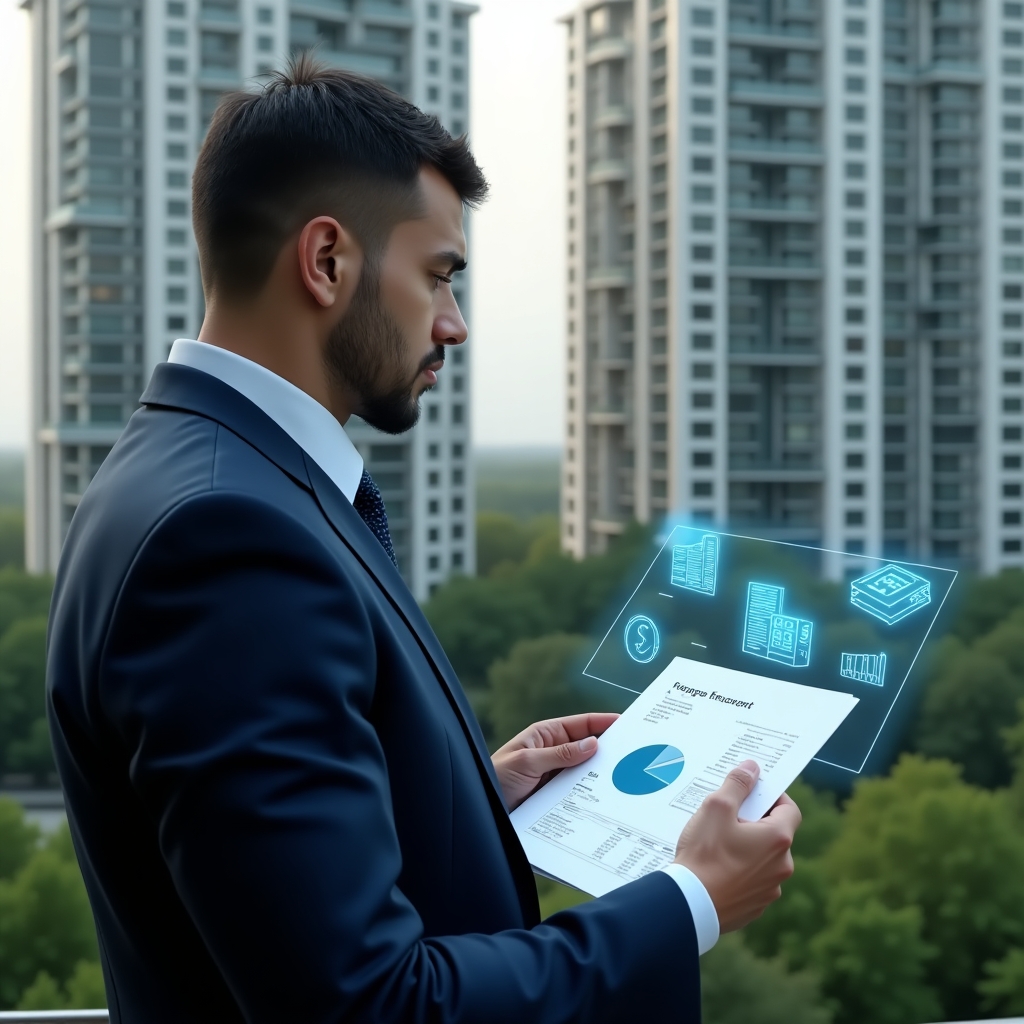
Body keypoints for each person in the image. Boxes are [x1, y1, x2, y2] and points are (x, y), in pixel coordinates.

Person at [47, 57, 800, 1024]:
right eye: (438, 275)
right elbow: (368, 1005)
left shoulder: (182, 469)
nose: (455, 325)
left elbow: (262, 897)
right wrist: (690, 900)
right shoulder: (228, 539)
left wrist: (474, 802)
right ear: (327, 261)